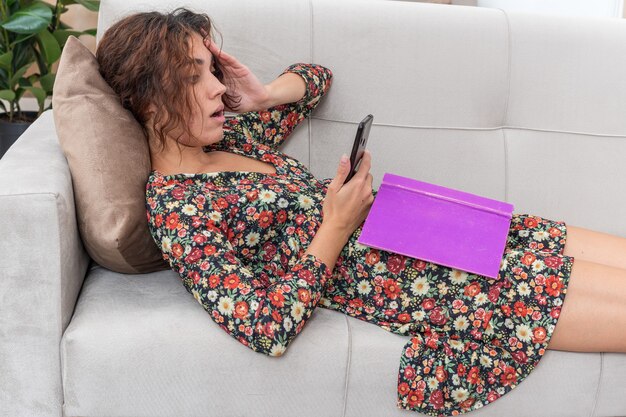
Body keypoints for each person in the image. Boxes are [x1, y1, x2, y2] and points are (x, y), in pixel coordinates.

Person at [96, 7, 626, 416]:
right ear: (147, 98)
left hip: (425, 222)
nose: (215, 87)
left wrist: (260, 97)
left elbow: (316, 78)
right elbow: (266, 326)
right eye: (194, 77)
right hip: (420, 282)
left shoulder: (234, 135)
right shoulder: (179, 208)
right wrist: (336, 225)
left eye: (211, 70)